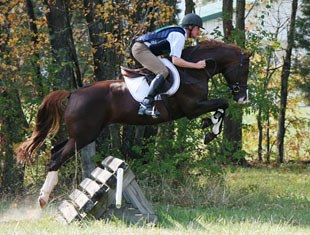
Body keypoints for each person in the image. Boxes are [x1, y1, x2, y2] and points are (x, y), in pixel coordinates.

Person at [132, 13, 207, 116]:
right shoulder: (179, 36)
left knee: (164, 70)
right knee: (163, 71)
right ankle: (146, 104)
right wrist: (196, 65)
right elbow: (176, 61)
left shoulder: (179, 34)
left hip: (146, 49)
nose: (199, 32)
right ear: (190, 27)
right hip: (141, 49)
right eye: (198, 28)